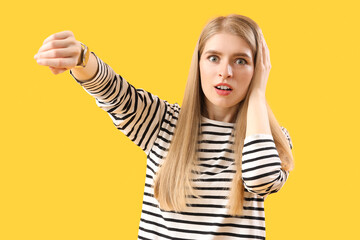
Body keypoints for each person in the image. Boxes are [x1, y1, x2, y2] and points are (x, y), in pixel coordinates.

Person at [34, 14, 294, 240]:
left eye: (241, 61)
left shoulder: (271, 139)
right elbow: (114, 92)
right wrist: (81, 56)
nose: (225, 71)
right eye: (213, 58)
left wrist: (258, 93)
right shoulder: (163, 122)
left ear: (259, 69)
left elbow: (260, 178)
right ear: (199, 64)